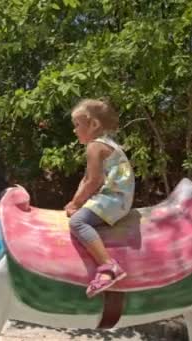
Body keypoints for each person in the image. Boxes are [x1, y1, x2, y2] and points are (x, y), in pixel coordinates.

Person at [64, 99, 135, 297]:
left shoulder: (95, 146)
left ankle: (108, 267)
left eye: (78, 125)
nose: (75, 130)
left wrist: (77, 205)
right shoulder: (104, 145)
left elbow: (94, 181)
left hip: (114, 199)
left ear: (93, 125)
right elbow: (87, 179)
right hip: (112, 196)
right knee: (76, 212)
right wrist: (73, 202)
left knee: (78, 222)